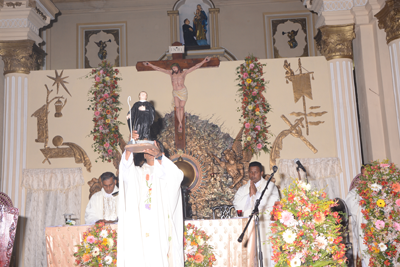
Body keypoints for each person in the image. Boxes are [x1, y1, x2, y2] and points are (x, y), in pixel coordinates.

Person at [117, 131, 184, 266]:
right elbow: (125, 172)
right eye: (145, 147)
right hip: (141, 223)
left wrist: (159, 157)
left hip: (160, 224)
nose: (148, 150)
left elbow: (177, 177)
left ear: (161, 152)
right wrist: (130, 147)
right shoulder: (139, 172)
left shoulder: (167, 171)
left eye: (152, 146)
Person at [143, 57, 210, 132]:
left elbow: (194, 67)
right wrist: (150, 65)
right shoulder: (171, 74)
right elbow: (160, 69)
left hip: (183, 91)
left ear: (178, 67)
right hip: (175, 92)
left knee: (181, 107)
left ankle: (181, 123)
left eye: (175, 68)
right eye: (173, 69)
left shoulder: (184, 73)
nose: (174, 70)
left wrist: (204, 61)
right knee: (177, 108)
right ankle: (180, 123)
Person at [233, 161, 280, 267]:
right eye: (250, 172)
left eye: (255, 172)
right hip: (249, 228)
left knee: (267, 257)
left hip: (266, 228)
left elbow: (274, 203)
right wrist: (249, 195)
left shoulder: (271, 186)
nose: (252, 175)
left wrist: (256, 194)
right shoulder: (243, 189)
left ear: (261, 173)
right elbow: (236, 204)